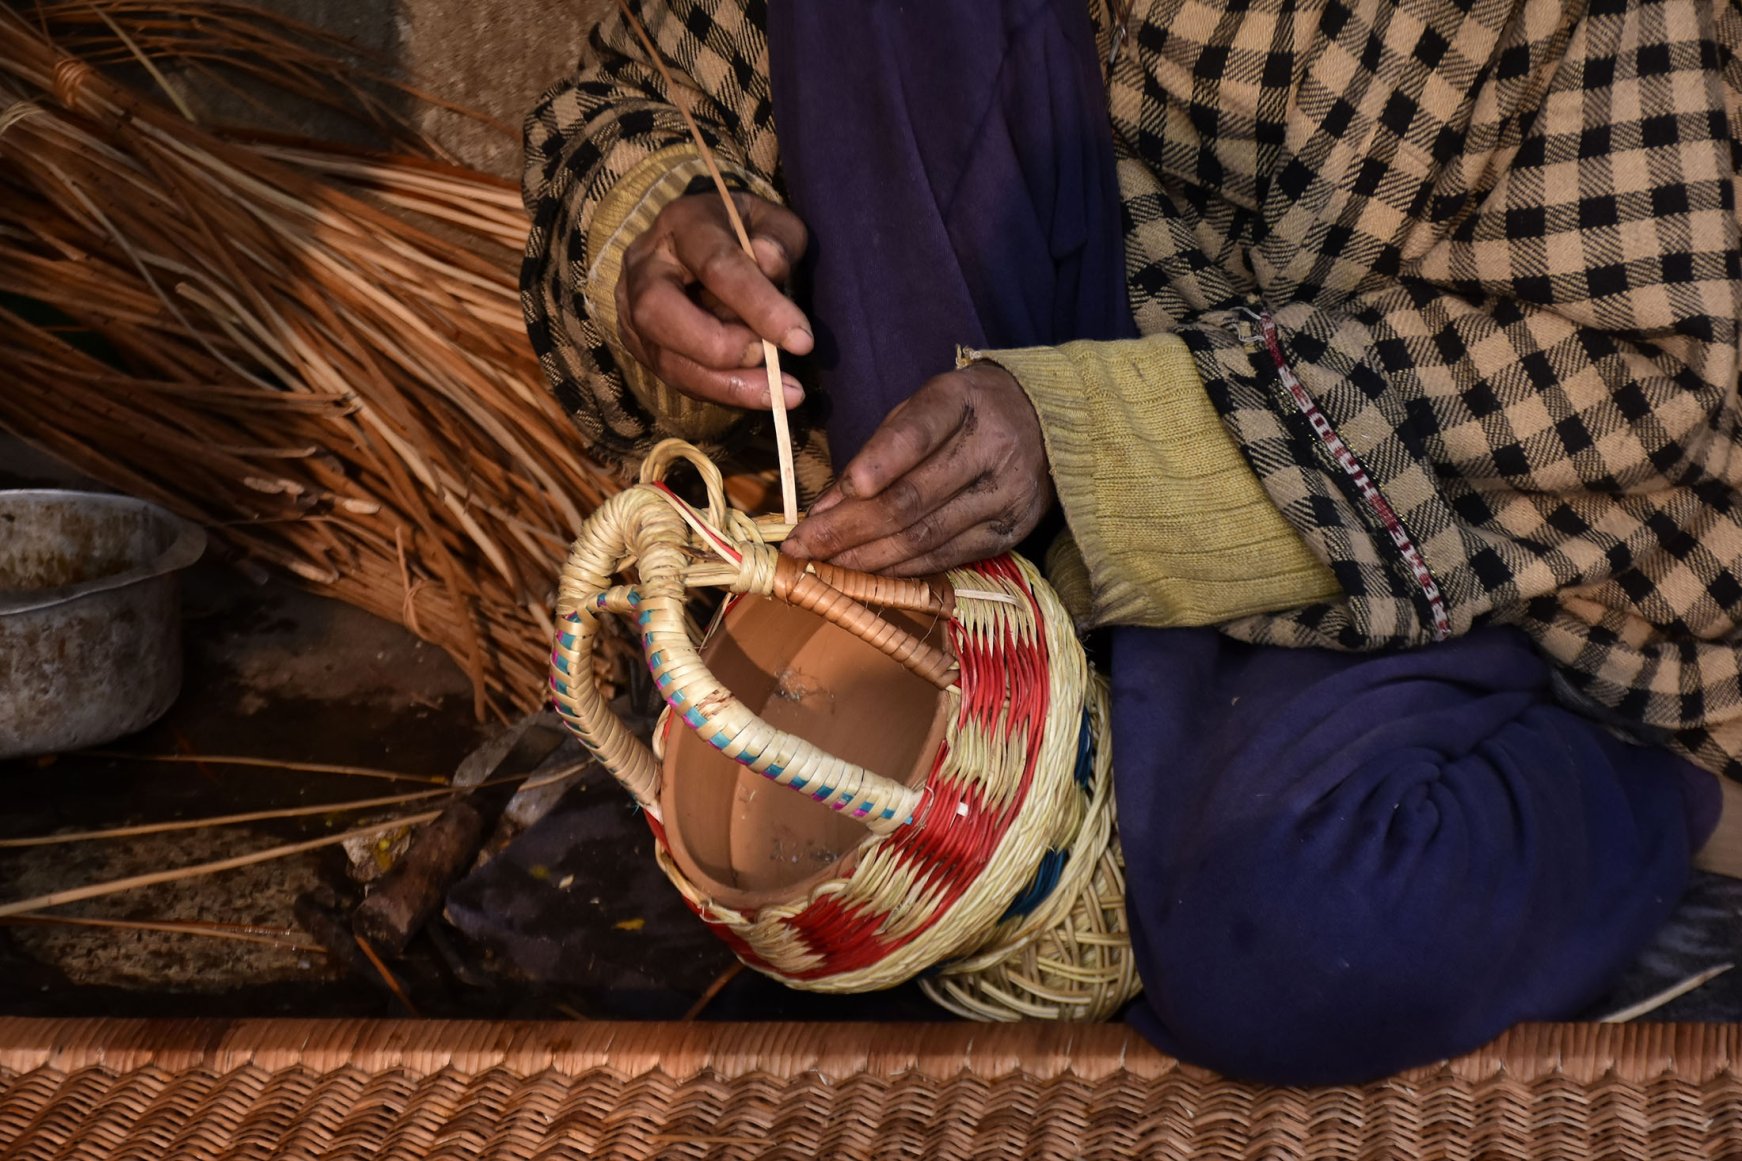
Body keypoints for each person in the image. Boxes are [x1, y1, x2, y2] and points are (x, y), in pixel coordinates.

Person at [521, 0, 1742, 1083]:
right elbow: (636, 95)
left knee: (1295, 940)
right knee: (815, 882)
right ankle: (1035, 739)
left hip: (1378, 539)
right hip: (957, 484)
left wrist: (1095, 445)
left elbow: (1636, 379)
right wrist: (662, 238)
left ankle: (1639, 792)